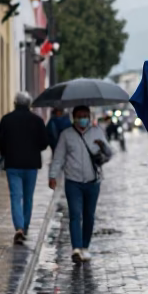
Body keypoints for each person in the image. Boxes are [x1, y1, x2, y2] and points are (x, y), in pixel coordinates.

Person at [49, 105, 112, 264]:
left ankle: (85, 247)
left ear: (90, 117)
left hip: (93, 181)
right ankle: (76, 248)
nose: (83, 118)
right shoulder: (66, 135)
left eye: (85, 115)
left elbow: (110, 153)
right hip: (73, 181)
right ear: (74, 118)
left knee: (89, 216)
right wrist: (52, 176)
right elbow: (58, 157)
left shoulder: (97, 132)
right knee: (75, 214)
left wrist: (102, 145)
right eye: (80, 116)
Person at [0, 91, 50, 244]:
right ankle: (24, 227)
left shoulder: (6, 120)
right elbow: (44, 143)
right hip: (31, 165)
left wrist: (7, 151)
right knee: (28, 197)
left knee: (15, 196)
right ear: (29, 104)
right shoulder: (37, 121)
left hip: (13, 163)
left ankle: (18, 227)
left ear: (15, 103)